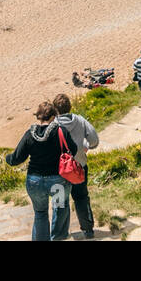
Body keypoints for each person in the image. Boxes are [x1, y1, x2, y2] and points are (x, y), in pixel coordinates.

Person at [4, 101, 75, 241]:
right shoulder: (61, 131)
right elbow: (74, 149)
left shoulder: (30, 134)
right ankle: (58, 237)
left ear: (38, 116)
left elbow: (17, 158)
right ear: (53, 116)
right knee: (60, 207)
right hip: (58, 181)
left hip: (35, 181)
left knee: (41, 213)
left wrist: (7, 158)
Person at [53, 93, 100, 239]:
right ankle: (88, 230)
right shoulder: (80, 120)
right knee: (81, 198)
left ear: (56, 110)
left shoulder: (53, 125)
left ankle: (60, 234)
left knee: (60, 201)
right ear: (70, 106)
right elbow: (94, 140)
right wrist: (85, 146)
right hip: (79, 166)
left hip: (59, 170)